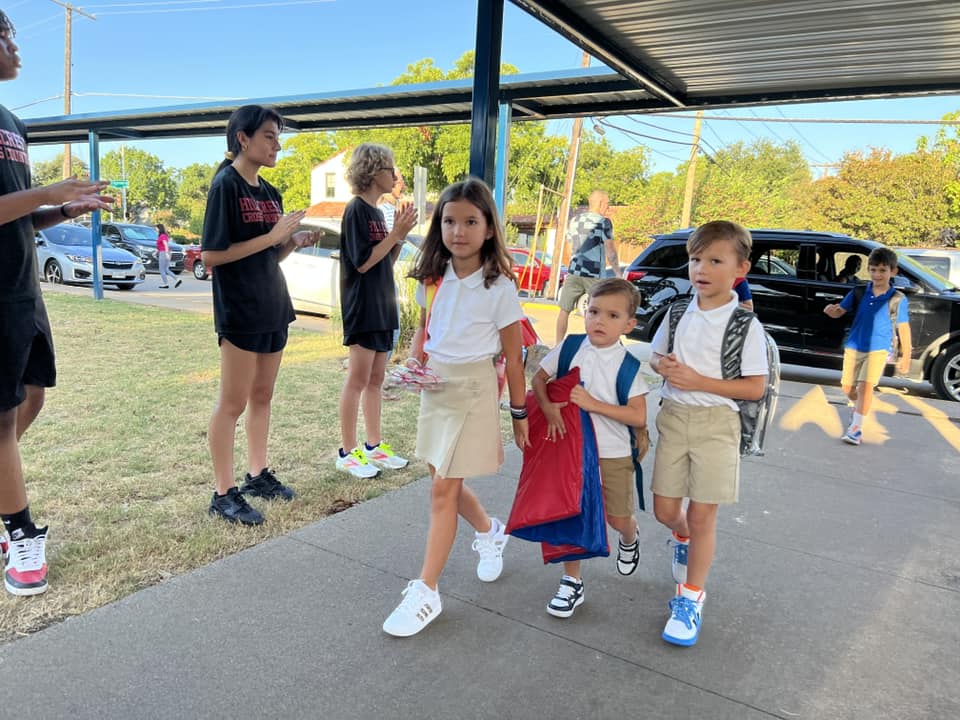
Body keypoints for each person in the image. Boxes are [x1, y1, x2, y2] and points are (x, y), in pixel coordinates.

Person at [381, 177, 529, 637]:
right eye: (449, 221)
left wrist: (519, 414)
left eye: (470, 221)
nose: (458, 230)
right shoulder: (433, 277)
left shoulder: (500, 286)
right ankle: (490, 532)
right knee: (440, 477)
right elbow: (427, 331)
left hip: (473, 390)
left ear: (489, 228)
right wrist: (412, 362)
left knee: (442, 490)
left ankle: (426, 592)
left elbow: (514, 355)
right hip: (436, 389)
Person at [0, 10, 113, 595]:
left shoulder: (13, 120)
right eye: (4, 35)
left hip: (23, 289)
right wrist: (47, 192)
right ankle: (18, 534)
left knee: (34, 396)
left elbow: (18, 207)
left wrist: (63, 209)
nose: (15, 45)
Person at [649, 220, 768, 646]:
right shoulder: (678, 312)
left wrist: (698, 380)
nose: (701, 268)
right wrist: (663, 366)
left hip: (718, 426)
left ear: (740, 268)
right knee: (666, 511)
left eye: (715, 260)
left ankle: (691, 598)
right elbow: (656, 357)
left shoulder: (744, 325)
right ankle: (681, 536)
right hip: (674, 419)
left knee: (703, 516)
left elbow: (754, 387)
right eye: (695, 259)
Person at [200, 104, 317, 525]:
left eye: (278, 136)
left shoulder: (269, 192)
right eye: (270, 135)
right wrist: (272, 235)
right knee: (232, 403)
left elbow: (269, 254)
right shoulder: (225, 186)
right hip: (240, 310)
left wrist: (291, 242)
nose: (277, 145)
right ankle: (223, 493)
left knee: (262, 397)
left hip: (273, 306)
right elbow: (212, 255)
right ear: (242, 138)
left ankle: (256, 475)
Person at [532, 278, 649, 619]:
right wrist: (549, 407)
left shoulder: (628, 366)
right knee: (573, 513)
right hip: (572, 451)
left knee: (616, 516)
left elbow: (638, 415)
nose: (599, 320)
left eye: (612, 315)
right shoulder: (571, 347)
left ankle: (629, 536)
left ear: (629, 324)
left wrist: (593, 404)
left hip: (612, 451)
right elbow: (539, 377)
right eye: (593, 311)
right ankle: (572, 582)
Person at [336, 143, 417, 479]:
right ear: (371, 173)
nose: (394, 176)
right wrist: (395, 233)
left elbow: (386, 259)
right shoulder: (356, 210)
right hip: (363, 306)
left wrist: (399, 237)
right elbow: (363, 262)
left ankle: (373, 444)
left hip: (383, 304)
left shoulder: (377, 211)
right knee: (357, 379)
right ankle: (347, 451)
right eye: (389, 169)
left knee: (376, 380)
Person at [824, 247, 911, 446]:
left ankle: (856, 428)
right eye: (873, 270)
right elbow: (840, 311)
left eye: (882, 270)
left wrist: (906, 356)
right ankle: (859, 408)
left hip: (878, 349)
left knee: (865, 387)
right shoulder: (859, 291)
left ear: (893, 271)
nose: (877, 274)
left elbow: (903, 328)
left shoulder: (897, 299)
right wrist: (831, 311)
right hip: (855, 345)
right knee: (848, 388)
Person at [555, 190, 621, 344]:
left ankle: (557, 346)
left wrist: (573, 263)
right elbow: (610, 250)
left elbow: (569, 247)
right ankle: (592, 346)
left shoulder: (575, 220)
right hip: (594, 274)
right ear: (599, 203)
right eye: (607, 204)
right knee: (596, 313)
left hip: (574, 271)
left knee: (564, 310)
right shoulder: (604, 222)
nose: (608, 207)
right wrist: (618, 272)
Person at [155, 223, 182, 289]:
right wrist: (156, 252)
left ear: (159, 228)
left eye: (156, 228)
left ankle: (165, 284)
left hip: (164, 253)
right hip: (165, 252)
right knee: (166, 269)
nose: (155, 229)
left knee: (161, 270)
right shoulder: (163, 236)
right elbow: (161, 246)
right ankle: (177, 279)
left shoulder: (162, 236)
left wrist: (166, 253)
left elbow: (165, 245)